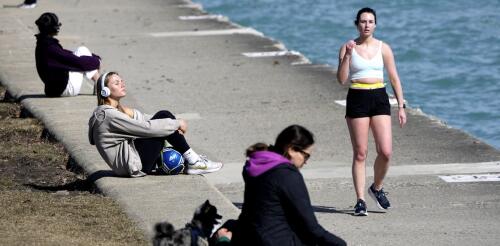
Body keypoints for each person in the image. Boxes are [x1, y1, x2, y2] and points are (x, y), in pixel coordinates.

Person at [336, 7, 407, 216]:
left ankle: (376, 188)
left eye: (370, 21)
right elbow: (341, 79)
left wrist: (401, 106)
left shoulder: (383, 48)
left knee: (385, 151)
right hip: (357, 97)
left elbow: (394, 78)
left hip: (379, 97)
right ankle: (360, 201)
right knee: (360, 153)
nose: (366, 25)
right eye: (363, 21)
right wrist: (348, 56)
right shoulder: (348, 47)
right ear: (357, 24)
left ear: (375, 24)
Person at [226, 125, 346, 245]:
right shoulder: (287, 175)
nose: (306, 161)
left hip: (249, 238)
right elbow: (311, 227)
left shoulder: (257, 165)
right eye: (306, 155)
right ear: (291, 149)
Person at [88, 72, 223, 177]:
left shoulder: (114, 112)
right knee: (164, 116)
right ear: (105, 91)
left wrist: (174, 122)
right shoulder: (108, 116)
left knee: (164, 119)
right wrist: (175, 123)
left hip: (132, 162)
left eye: (122, 81)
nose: (122, 84)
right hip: (135, 165)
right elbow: (145, 128)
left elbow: (143, 119)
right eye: (116, 83)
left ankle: (192, 160)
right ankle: (194, 161)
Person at [35, 12, 101, 97]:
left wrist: (93, 58)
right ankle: (99, 83)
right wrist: (97, 61)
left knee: (81, 52)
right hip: (65, 89)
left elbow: (68, 55)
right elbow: (78, 62)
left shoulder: (43, 44)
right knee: (82, 50)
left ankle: (98, 82)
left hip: (53, 90)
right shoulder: (50, 47)